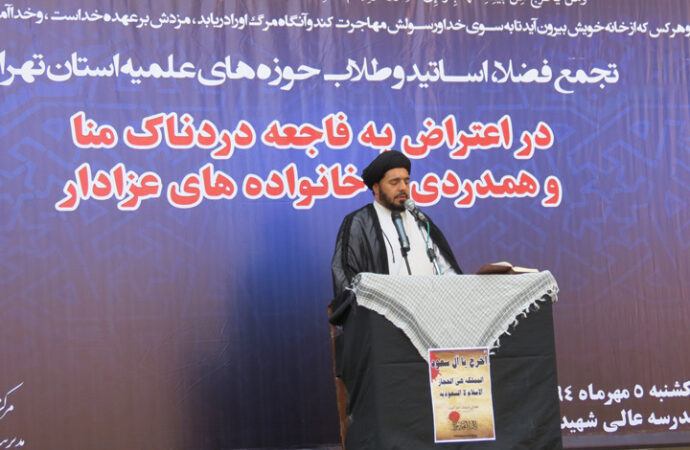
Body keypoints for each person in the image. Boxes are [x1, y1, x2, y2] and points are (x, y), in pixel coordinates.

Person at [331, 150, 461, 297]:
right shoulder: (359, 222)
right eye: (394, 182)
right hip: (382, 309)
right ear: (376, 187)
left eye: (406, 181)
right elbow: (346, 277)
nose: (403, 187)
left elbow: (447, 271)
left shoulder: (420, 220)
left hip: (430, 306)